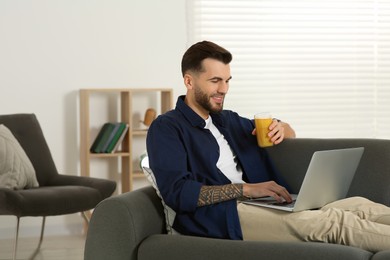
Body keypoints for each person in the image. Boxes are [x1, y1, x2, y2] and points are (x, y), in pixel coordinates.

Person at [146, 40, 390, 252]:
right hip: (224, 215)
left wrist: (282, 128)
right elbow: (178, 193)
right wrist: (247, 190)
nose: (224, 89)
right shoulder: (166, 128)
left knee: (358, 206)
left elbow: (286, 131)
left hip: (262, 203)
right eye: (215, 80)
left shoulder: (227, 120)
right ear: (189, 81)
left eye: (227, 80)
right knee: (330, 223)